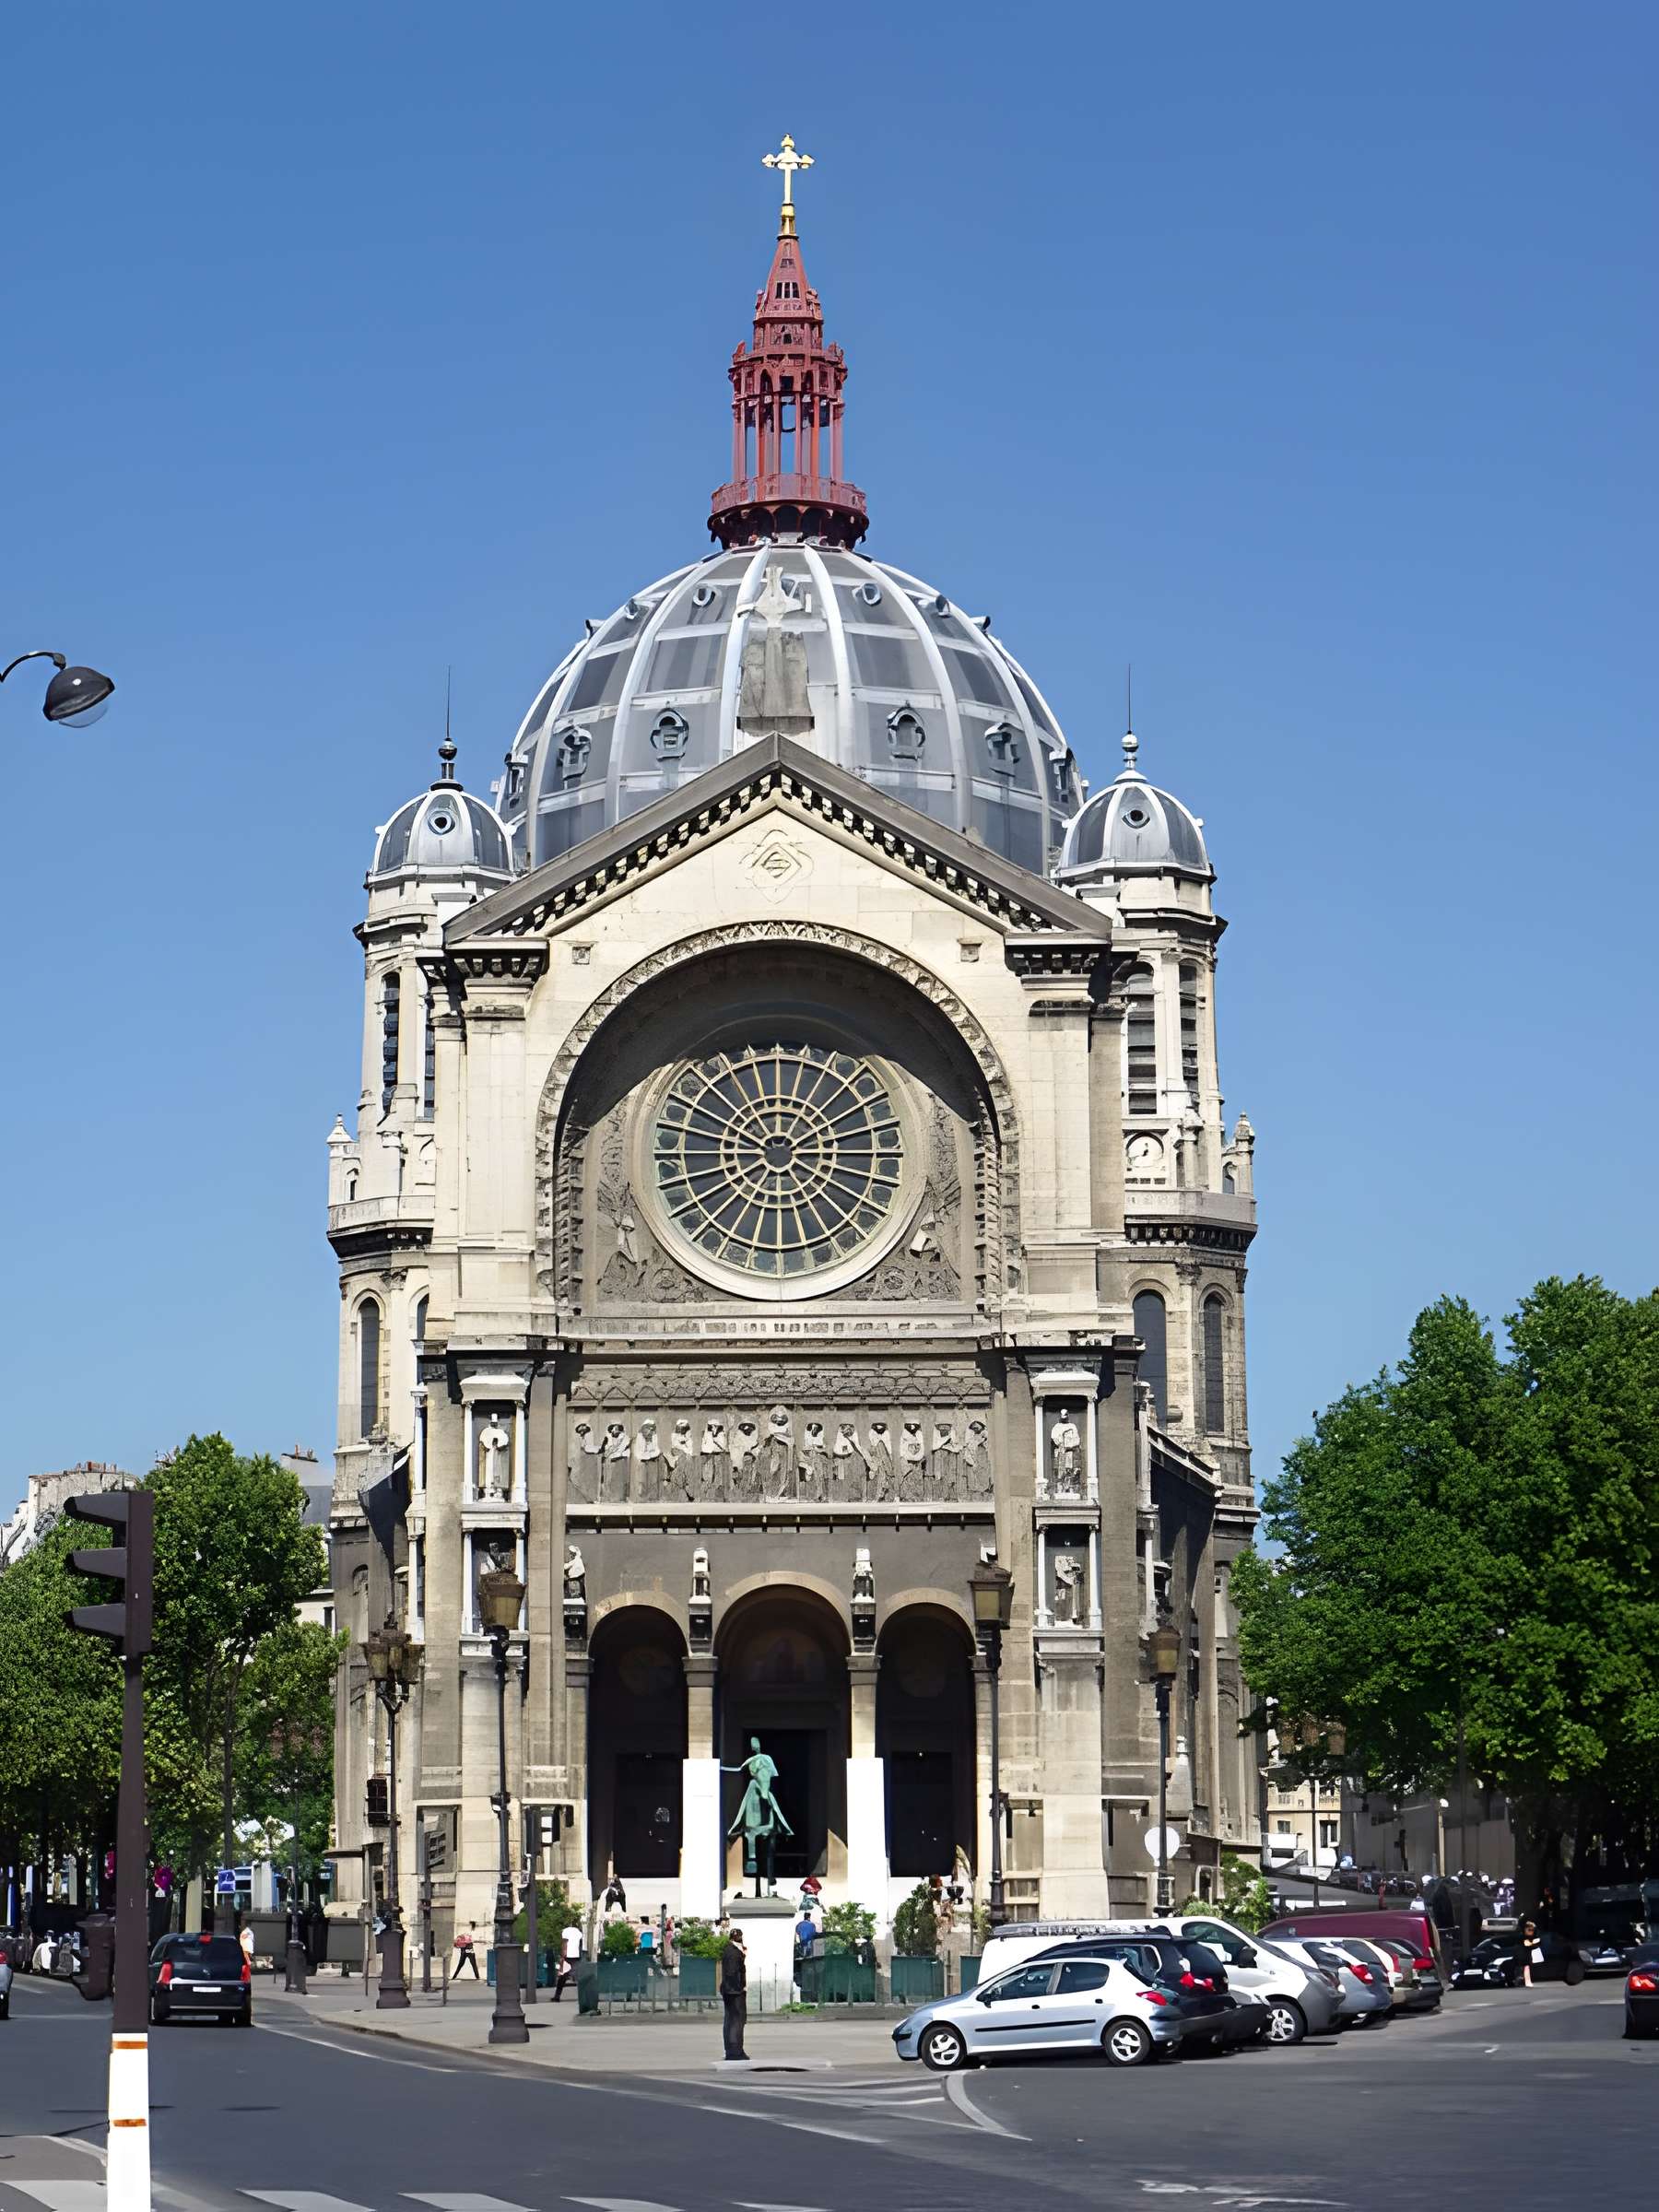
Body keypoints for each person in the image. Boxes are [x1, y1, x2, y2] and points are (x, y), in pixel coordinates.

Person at [720, 1925, 748, 2062]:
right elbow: (732, 1972)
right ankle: (735, 2051)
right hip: (734, 1991)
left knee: (730, 2020)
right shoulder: (734, 1952)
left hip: (729, 1990)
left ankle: (731, 2050)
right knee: (736, 2021)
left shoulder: (728, 1950)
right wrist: (739, 1987)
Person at [554, 1917, 582, 2001]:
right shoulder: (578, 1932)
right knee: (578, 1976)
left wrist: (562, 1956)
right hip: (576, 1955)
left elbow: (564, 1943)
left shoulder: (565, 1931)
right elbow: (580, 1943)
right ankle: (583, 1996)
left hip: (568, 1956)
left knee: (562, 1977)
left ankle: (557, 1996)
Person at [1521, 1916, 1539, 1988]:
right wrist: (1533, 1943)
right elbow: (1526, 1944)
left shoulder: (1533, 1937)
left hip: (1530, 1956)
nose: (1531, 1931)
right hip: (1524, 1956)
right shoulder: (1523, 1937)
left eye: (1532, 1930)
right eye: (1529, 1929)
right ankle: (1527, 1981)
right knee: (1526, 1967)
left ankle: (1527, 1981)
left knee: (1529, 1967)